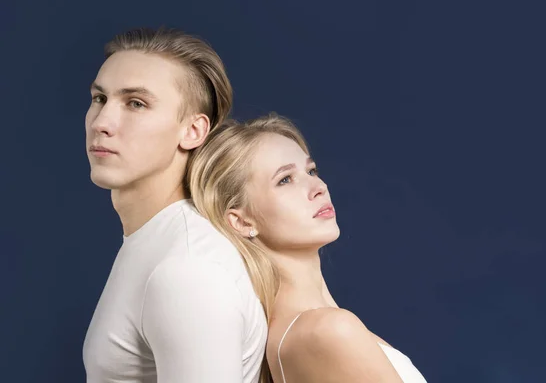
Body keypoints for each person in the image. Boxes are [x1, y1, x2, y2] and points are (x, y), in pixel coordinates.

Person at [82, 27, 267, 383]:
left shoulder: (187, 270)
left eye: (136, 103)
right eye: (99, 99)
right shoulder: (158, 241)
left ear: (193, 131)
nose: (102, 123)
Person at [187, 113, 428, 383]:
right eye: (285, 180)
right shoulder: (328, 331)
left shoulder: (306, 330)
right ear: (242, 221)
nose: (319, 187)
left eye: (311, 171)